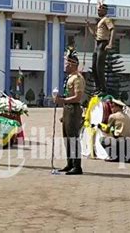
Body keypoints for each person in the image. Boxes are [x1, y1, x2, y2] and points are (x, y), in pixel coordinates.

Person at [53, 47, 85, 175]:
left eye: (67, 63)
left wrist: (62, 101)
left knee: (73, 138)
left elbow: (78, 97)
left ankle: (77, 166)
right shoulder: (70, 77)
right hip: (68, 109)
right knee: (67, 138)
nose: (65, 66)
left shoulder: (77, 78)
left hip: (73, 109)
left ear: (73, 65)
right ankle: (70, 163)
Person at [86, 0, 115, 95]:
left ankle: (103, 89)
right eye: (98, 9)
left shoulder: (106, 19)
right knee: (94, 68)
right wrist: (89, 26)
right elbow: (95, 35)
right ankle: (98, 88)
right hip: (97, 44)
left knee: (99, 67)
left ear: (105, 10)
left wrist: (110, 43)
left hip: (103, 44)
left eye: (100, 9)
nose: (98, 11)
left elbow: (112, 29)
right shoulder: (99, 22)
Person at [99, 98, 130, 163]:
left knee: (102, 140)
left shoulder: (113, 116)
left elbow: (107, 130)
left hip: (120, 141)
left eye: (112, 107)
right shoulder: (127, 116)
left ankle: (114, 156)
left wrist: (99, 127)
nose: (111, 109)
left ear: (118, 107)